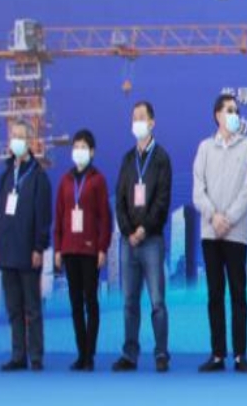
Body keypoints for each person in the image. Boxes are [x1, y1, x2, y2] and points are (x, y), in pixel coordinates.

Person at [193, 94, 247, 374]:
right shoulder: (205, 148)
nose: (234, 115)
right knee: (215, 294)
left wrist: (228, 218)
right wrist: (213, 216)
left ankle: (240, 355)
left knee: (238, 295)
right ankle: (218, 354)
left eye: (237, 111)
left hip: (236, 233)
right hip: (211, 233)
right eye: (229, 110)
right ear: (217, 115)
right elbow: (198, 190)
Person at [112, 101, 173, 373]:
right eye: (133, 117)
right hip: (128, 242)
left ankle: (161, 353)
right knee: (129, 302)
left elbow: (162, 200)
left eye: (141, 117)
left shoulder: (161, 158)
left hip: (152, 240)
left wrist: (144, 229)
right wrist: (128, 230)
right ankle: (130, 353)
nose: (137, 122)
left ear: (152, 123)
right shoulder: (127, 159)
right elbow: (120, 200)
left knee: (157, 301)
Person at [0, 120, 52, 371]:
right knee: (13, 308)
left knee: (32, 308)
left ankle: (36, 355)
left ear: (29, 141)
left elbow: (43, 217)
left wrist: (39, 247)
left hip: (29, 252)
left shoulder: (38, 177)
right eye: (12, 135)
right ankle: (18, 355)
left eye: (20, 136)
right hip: (7, 252)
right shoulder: (6, 175)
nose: (15, 140)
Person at [54, 130, 113, 372]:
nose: (78, 151)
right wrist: (58, 248)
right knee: (75, 303)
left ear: (92, 152)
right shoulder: (65, 181)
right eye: (75, 147)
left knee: (91, 301)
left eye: (83, 147)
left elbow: (105, 218)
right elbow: (59, 216)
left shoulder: (98, 180)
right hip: (69, 249)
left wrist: (102, 247)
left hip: (90, 250)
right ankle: (81, 353)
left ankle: (90, 354)